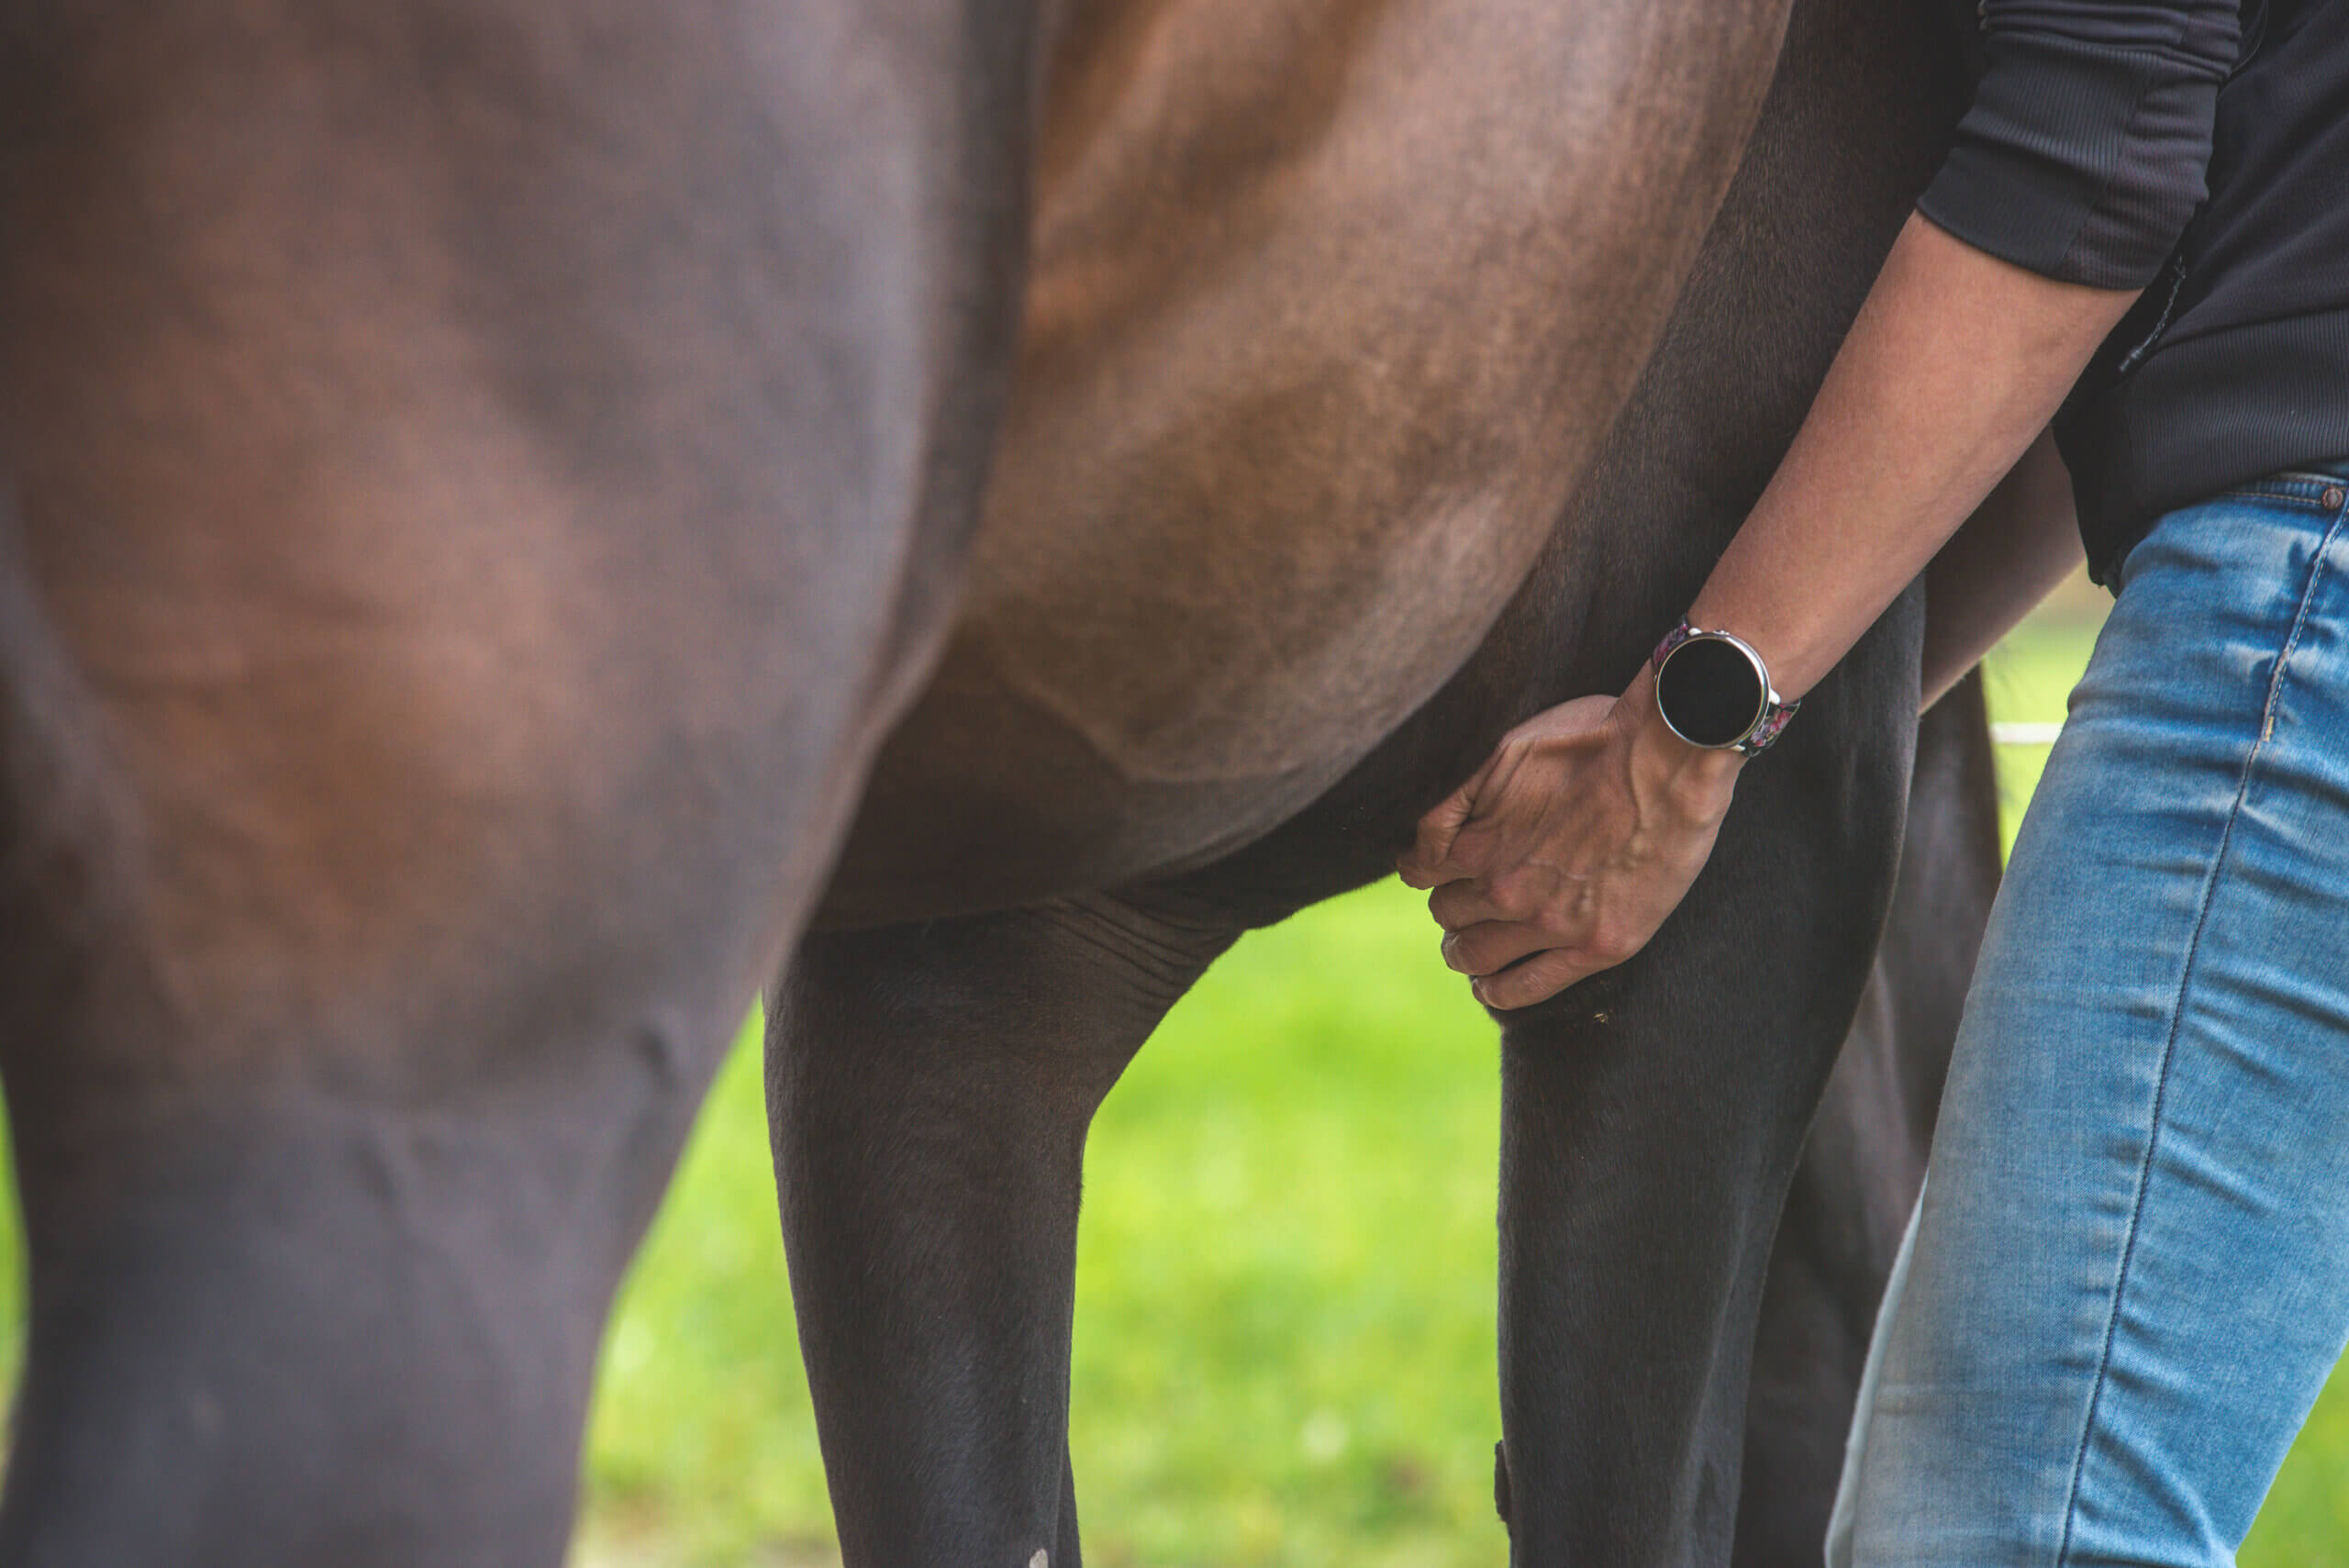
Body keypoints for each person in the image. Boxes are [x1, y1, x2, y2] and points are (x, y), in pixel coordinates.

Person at [1397, 0, 2349, 1561]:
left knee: (2011, 1527)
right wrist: (1774, 732)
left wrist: (1683, 732)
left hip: (2309, 611)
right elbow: (2169, 231)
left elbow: (2092, 168)